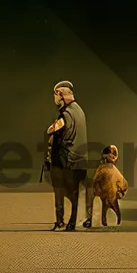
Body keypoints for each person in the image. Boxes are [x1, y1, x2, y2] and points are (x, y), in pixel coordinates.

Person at [46, 81, 88, 231]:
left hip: (65, 160)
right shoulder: (79, 111)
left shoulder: (66, 113)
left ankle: (60, 222)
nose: (55, 98)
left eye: (55, 95)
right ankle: (73, 222)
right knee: (75, 192)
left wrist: (52, 130)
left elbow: (53, 130)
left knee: (59, 191)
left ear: (60, 95)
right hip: (79, 159)